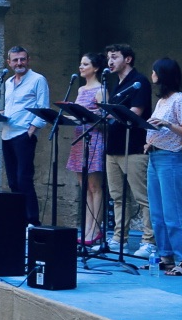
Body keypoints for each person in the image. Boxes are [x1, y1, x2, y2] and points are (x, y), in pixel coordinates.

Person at [145, 58, 182, 276]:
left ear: (163, 74)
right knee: (157, 212)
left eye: (155, 71)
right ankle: (166, 256)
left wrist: (167, 124)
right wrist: (150, 140)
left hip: (171, 159)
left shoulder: (180, 100)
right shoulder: (162, 101)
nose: (152, 75)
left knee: (173, 211)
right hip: (155, 157)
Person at [102, 43, 154, 260]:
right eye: (108, 58)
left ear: (128, 59)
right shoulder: (117, 84)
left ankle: (149, 241)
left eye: (114, 57)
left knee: (142, 197)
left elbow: (135, 112)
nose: (110, 62)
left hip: (133, 147)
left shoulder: (138, 81)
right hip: (113, 147)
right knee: (117, 197)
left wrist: (110, 114)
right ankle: (118, 239)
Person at [0, 46, 49, 227]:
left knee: (24, 178)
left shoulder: (37, 80)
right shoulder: (8, 82)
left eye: (22, 59)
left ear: (28, 60)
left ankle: (32, 221)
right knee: (12, 180)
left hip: (23, 134)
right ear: (9, 62)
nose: (19, 63)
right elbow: (12, 107)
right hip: (7, 134)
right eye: (15, 60)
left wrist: (32, 129)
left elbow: (43, 107)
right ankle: (18, 220)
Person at [65, 54, 108, 249]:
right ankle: (87, 228)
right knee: (84, 186)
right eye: (80, 63)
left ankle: (95, 229)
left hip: (94, 139)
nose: (81, 67)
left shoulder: (101, 90)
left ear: (96, 68)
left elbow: (105, 120)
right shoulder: (81, 89)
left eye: (85, 64)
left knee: (95, 187)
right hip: (79, 138)